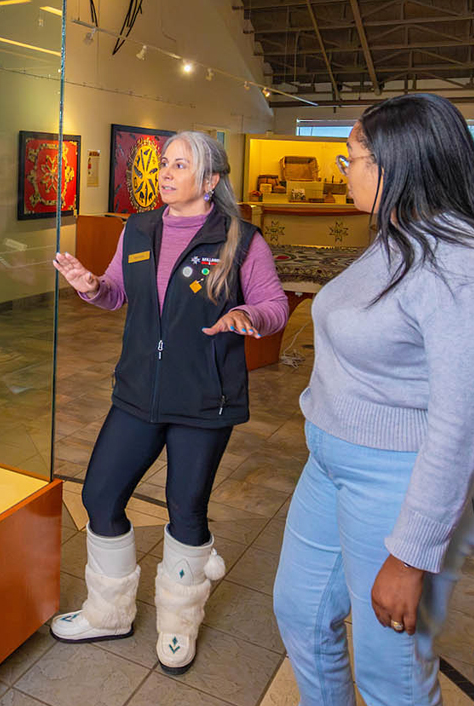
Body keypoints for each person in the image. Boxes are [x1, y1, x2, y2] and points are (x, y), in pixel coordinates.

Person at [50, 131, 289, 674]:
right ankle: (109, 612)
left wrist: (249, 317)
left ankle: (179, 624)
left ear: (210, 181)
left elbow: (274, 303)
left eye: (179, 165)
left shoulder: (241, 239)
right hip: (137, 392)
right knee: (100, 495)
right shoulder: (139, 227)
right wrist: (90, 284)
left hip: (206, 399)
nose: (165, 173)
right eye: (163, 164)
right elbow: (115, 292)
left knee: (186, 509)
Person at [273, 93, 474, 704]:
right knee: (301, 616)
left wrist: (411, 556)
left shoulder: (457, 264)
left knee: (390, 672)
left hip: (394, 479)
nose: (344, 169)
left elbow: (459, 425)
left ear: (398, 162)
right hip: (328, 465)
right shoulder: (396, 236)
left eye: (352, 156)